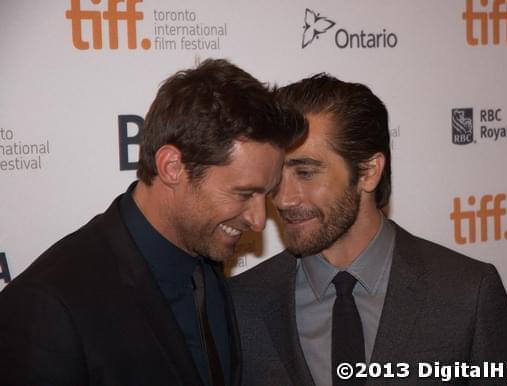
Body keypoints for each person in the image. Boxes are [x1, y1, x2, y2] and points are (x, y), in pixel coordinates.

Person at [0, 59, 305, 386]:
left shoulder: (206, 259)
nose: (259, 220)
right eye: (244, 193)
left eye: (266, 194)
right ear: (173, 167)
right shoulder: (48, 306)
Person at [229, 74, 507, 385]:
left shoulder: (467, 293)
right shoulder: (241, 304)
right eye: (277, 176)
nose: (283, 198)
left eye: (305, 172)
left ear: (368, 172)